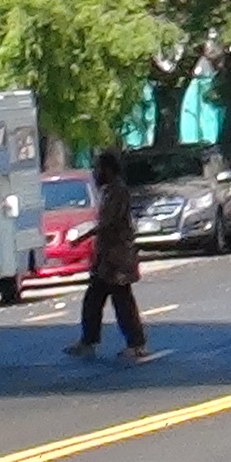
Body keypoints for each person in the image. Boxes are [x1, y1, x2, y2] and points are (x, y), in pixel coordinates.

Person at [70, 152, 149, 362]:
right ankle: (88, 341)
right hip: (106, 258)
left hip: (117, 258)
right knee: (93, 300)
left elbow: (109, 223)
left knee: (122, 301)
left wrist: (83, 237)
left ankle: (136, 344)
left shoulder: (118, 192)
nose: (96, 173)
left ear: (108, 169)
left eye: (98, 168)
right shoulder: (109, 192)